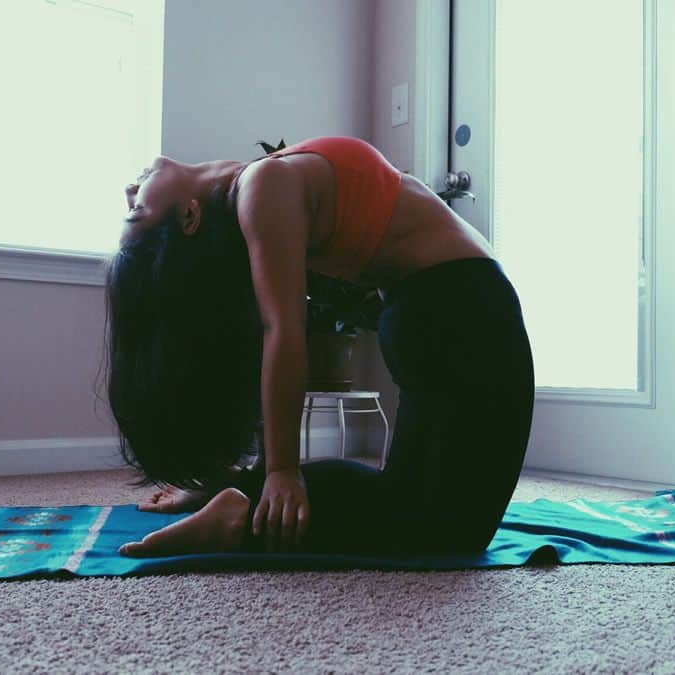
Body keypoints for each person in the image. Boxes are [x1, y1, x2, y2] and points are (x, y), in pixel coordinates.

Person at [106, 136, 534, 557]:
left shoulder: (255, 190)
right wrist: (281, 470)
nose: (130, 192)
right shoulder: (262, 187)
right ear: (188, 218)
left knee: (409, 502)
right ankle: (241, 520)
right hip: (463, 314)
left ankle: (242, 501)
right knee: (448, 533)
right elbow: (281, 333)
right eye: (137, 211)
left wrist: (267, 475)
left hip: (438, 317)